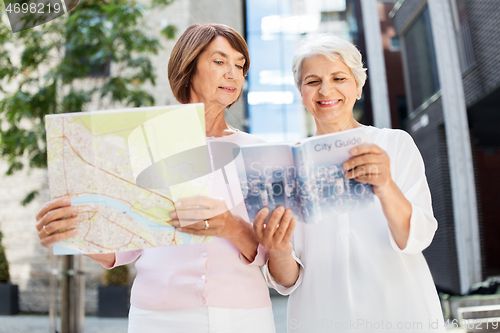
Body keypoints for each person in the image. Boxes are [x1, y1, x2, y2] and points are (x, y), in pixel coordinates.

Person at [35, 23, 276, 333]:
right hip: (158, 317)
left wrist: (231, 227)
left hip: (244, 315)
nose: (233, 73)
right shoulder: (142, 142)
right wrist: (68, 233)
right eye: (219, 61)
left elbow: (273, 255)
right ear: (189, 66)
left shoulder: (260, 151)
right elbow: (120, 247)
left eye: (240, 65)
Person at [254, 35, 445, 332]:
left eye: (339, 78)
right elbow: (286, 281)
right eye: (312, 81)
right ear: (301, 92)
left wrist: (385, 186)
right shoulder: (283, 167)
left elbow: (418, 238)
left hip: (400, 312)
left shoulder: (394, 144)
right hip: (320, 318)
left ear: (358, 86)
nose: (326, 89)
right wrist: (277, 250)